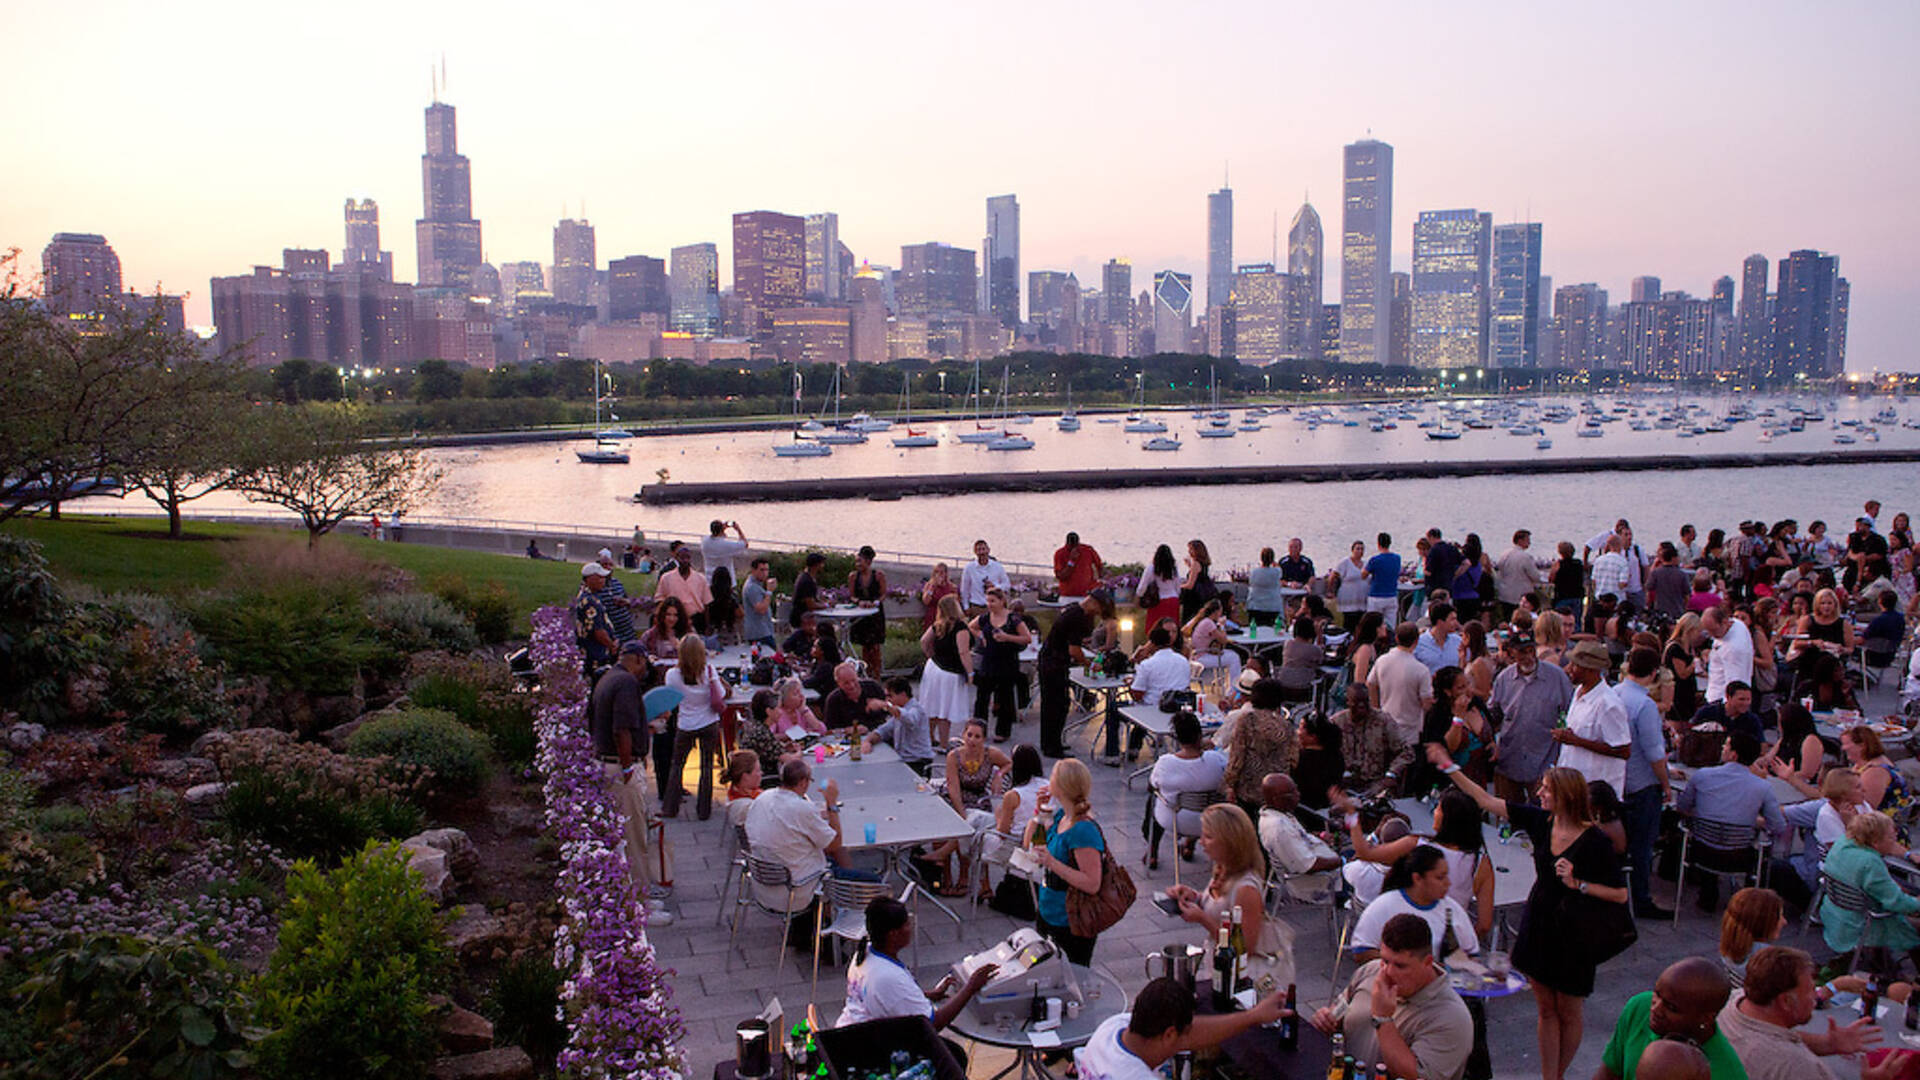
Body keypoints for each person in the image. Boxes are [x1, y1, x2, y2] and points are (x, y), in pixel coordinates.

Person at [1430, 754, 1629, 1080]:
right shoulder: (1541, 822)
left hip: (1575, 931)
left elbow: (1619, 894)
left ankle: (1558, 1074)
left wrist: (1579, 884)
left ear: (1565, 795)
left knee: (1569, 1009)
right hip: (1541, 923)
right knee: (1546, 1009)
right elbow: (1485, 800)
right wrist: (1448, 766)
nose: (1539, 794)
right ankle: (1550, 1076)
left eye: (1546, 790)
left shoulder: (1595, 841)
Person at [1309, 914, 1474, 1080]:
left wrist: (1383, 1019)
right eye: (1385, 961)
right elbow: (1339, 1010)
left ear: (1427, 962)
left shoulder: (1452, 1018)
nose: (1388, 972)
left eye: (1400, 966)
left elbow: (1415, 1076)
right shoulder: (1370, 971)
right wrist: (1327, 1020)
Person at [837, 897, 999, 1046]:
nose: (911, 928)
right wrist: (970, 987)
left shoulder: (865, 952)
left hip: (855, 1031)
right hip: (867, 1045)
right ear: (893, 934)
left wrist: (928, 995)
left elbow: (889, 998)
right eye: (907, 924)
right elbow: (932, 1024)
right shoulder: (887, 976)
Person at [1166, 803, 1296, 987]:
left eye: (1209, 836)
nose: (1201, 841)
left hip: (1239, 979)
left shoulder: (1246, 889)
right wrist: (1193, 896)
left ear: (1229, 842)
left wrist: (1202, 918)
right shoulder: (1222, 867)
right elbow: (1218, 906)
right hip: (1219, 969)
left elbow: (1244, 949)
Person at [1718, 945, 1890, 1080]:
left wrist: (1828, 1043)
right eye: (1809, 991)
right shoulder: (1796, 1066)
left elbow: (1771, 1034)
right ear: (1785, 1001)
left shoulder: (1735, 1001)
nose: (1815, 996)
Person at [591, 643, 677, 909]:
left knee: (628, 835)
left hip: (607, 763)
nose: (644, 673)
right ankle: (642, 905)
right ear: (638, 659)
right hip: (621, 770)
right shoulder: (627, 683)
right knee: (635, 838)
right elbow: (621, 729)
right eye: (644, 666)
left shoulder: (607, 678)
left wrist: (645, 730)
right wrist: (629, 768)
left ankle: (636, 896)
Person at [1076, 977, 1290, 1080]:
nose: (1185, 1041)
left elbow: (1190, 1033)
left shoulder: (1113, 1027)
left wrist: (1253, 1016)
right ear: (1169, 1034)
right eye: (1180, 1036)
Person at [1675, 733, 1788, 910]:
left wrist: (1706, 813)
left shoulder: (1702, 776)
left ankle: (1707, 894)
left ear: (1733, 755)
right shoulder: (1762, 787)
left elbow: (1682, 807)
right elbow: (1778, 826)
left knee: (1707, 835)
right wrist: (1752, 820)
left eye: (1726, 746)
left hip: (1700, 852)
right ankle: (1749, 899)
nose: (1722, 748)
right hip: (1739, 856)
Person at [1595, 958, 1744, 1080]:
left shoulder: (1725, 1072)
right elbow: (1609, 1073)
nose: (1655, 1009)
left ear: (1706, 1018)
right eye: (1657, 994)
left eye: (1672, 1008)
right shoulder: (1640, 1007)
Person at [1025, 758, 1106, 965]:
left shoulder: (1082, 829)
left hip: (1071, 921)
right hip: (1048, 911)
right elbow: (1030, 844)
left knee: (1072, 976)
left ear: (1061, 786)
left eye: (1052, 776)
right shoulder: (1062, 816)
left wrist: (1052, 863)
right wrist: (1039, 812)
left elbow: (1092, 883)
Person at [1616, 646, 1676, 918]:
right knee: (1642, 846)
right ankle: (1640, 899)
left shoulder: (1613, 694)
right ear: (1653, 673)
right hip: (1641, 785)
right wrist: (1665, 784)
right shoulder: (1645, 705)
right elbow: (1654, 752)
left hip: (1618, 781)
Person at [1350, 845, 1481, 960]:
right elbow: (1361, 951)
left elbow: (1472, 952)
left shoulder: (1452, 909)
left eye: (1446, 876)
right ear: (1417, 878)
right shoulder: (1385, 905)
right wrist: (1404, 964)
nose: (1447, 883)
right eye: (1439, 877)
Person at [1143, 711, 1225, 868]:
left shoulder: (1166, 763)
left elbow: (1151, 786)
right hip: (1212, 821)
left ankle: (1152, 850)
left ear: (1176, 737)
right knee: (1202, 802)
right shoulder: (1217, 760)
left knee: (1155, 798)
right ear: (1200, 736)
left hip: (1175, 821)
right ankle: (1190, 844)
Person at [661, 634, 727, 821]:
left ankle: (670, 807)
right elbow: (720, 695)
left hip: (686, 723)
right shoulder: (709, 671)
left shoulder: (672, 675)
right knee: (706, 767)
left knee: (677, 766)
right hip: (708, 722)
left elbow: (671, 698)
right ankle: (704, 810)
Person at [1553, 640, 1631, 796]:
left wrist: (1576, 741)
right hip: (1573, 787)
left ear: (1590, 670)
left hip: (1596, 794)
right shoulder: (1578, 692)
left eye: (1575, 665)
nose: (1569, 669)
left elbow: (1623, 751)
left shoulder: (1608, 704)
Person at [1038, 591, 1102, 758]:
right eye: (1099, 608)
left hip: (1050, 659)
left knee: (1051, 705)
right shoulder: (1077, 617)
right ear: (1093, 602)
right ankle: (1052, 747)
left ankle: (1050, 742)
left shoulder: (1073, 609)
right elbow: (1073, 650)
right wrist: (1089, 664)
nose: (1098, 612)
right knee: (1057, 705)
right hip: (1054, 662)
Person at [1258, 773, 1341, 901]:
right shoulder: (1279, 827)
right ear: (1276, 799)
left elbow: (1297, 841)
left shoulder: (1280, 814)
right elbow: (1309, 865)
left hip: (1324, 870)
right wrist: (1343, 861)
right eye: (1292, 792)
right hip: (1318, 883)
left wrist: (1320, 837)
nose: (1298, 794)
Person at [1221, 679, 1299, 814]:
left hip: (1248, 789)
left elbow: (1237, 757)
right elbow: (1293, 760)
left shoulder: (1248, 721)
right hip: (1275, 791)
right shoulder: (1286, 726)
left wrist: (1230, 784)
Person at [1115, 625, 1192, 760]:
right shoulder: (1183, 661)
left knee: (1115, 707)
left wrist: (1129, 685)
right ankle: (1133, 746)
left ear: (1152, 644)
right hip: (1177, 708)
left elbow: (1137, 696)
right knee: (1146, 702)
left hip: (1151, 711)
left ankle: (1112, 754)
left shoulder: (1148, 664)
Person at [970, 587, 1030, 742]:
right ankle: (979, 730)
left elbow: (1026, 638)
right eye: (988, 601)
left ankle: (1002, 732)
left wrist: (1007, 637)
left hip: (1007, 662)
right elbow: (971, 626)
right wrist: (981, 635)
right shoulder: (985, 618)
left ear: (1002, 601)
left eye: (993, 601)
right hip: (989, 662)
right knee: (982, 698)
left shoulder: (1013, 619)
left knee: (1005, 698)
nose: (989, 604)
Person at [1333, 683, 1415, 793]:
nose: (1362, 706)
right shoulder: (1336, 722)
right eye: (1357, 702)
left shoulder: (1384, 721)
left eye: (1365, 702)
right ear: (1348, 702)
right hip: (1343, 783)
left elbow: (1406, 752)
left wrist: (1391, 774)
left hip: (1376, 783)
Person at [918, 594, 973, 749]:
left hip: (934, 667)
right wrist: (970, 673)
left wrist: (931, 656)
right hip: (950, 672)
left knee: (932, 706)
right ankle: (943, 744)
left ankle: (929, 738)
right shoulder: (960, 627)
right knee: (945, 710)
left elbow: (924, 641)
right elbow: (964, 652)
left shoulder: (938, 625)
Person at [1370, 622, 1436, 741]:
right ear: (1416, 641)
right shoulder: (1421, 670)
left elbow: (1370, 683)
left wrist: (1376, 709)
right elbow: (1426, 702)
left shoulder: (1382, 661)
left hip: (1386, 725)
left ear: (1396, 638)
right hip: (1410, 732)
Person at [863, 676, 934, 773]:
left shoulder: (916, 710)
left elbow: (909, 719)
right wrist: (868, 741)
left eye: (890, 696)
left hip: (918, 763)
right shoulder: (897, 714)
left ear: (903, 695)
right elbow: (883, 730)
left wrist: (884, 705)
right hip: (902, 760)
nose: (888, 700)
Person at [844, 546, 889, 676]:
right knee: (865, 646)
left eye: (860, 561)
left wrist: (874, 602)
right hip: (860, 613)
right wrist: (859, 602)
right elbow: (851, 595)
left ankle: (877, 674)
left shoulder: (878, 575)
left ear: (868, 562)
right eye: (857, 561)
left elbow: (883, 594)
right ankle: (866, 672)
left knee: (875, 646)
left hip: (875, 614)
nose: (858, 564)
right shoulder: (853, 576)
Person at [1183, 597, 1242, 695]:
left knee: (1231, 655)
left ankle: (1230, 686)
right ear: (1217, 612)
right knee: (1234, 657)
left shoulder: (1202, 620)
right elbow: (1223, 640)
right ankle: (1233, 690)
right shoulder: (1208, 623)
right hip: (1202, 656)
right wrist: (1222, 625)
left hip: (1198, 653)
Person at [1842, 725, 1909, 811]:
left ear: (1862, 746)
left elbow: (1866, 809)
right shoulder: (1861, 764)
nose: (1842, 748)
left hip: (1881, 821)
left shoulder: (1876, 772)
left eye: (1846, 744)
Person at [575, 562, 620, 678]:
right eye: (600, 577)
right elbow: (598, 631)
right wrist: (611, 646)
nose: (603, 580)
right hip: (596, 655)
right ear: (590, 579)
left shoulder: (589, 596)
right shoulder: (590, 602)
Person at [1702, 606, 1754, 705]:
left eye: (1713, 631)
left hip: (1721, 700)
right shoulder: (1738, 624)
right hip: (1715, 693)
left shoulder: (1734, 649)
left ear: (1724, 622)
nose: (1711, 635)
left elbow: (1736, 682)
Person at [822, 661, 889, 733]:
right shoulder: (834, 700)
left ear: (857, 676)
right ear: (838, 683)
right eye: (846, 683)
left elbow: (895, 710)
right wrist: (848, 730)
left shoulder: (873, 687)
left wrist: (883, 704)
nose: (852, 685)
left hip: (880, 733)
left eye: (853, 680)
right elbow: (829, 730)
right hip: (851, 739)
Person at [1689, 682, 1764, 745]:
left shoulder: (1752, 720)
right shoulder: (1707, 712)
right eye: (1741, 699)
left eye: (1748, 699)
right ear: (1728, 697)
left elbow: (1762, 744)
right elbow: (1689, 735)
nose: (1746, 703)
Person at [655, 553, 713, 634]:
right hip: (674, 620)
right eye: (682, 558)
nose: (685, 560)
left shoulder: (701, 578)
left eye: (687, 558)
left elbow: (706, 604)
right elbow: (659, 600)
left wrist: (708, 626)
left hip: (696, 620)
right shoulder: (666, 578)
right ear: (677, 559)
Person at [593, 548, 641, 644]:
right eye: (605, 565)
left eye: (610, 565)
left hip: (628, 633)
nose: (608, 567)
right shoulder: (595, 587)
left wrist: (625, 602)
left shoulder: (617, 584)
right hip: (611, 636)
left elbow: (628, 601)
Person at [1496, 529, 1545, 620]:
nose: (1529, 543)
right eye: (1527, 540)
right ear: (1520, 540)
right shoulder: (1525, 557)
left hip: (1504, 594)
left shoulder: (1504, 554)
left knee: (1508, 619)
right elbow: (1535, 576)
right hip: (1520, 596)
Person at [1275, 615, 1326, 699]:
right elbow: (1321, 659)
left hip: (1284, 687)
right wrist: (1319, 635)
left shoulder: (1287, 644)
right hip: (1303, 689)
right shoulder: (1314, 650)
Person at [1137, 544, 1182, 628]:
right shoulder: (1173, 569)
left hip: (1158, 601)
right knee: (1172, 627)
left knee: (1155, 628)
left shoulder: (1151, 568)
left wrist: (1139, 596)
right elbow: (1178, 587)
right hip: (1173, 600)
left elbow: (1142, 586)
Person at [959, 539, 1010, 612]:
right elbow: (964, 589)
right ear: (975, 552)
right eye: (979, 550)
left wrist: (995, 586)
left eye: (983, 549)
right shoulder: (969, 568)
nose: (982, 552)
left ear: (988, 550)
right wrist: (966, 607)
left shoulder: (997, 566)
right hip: (976, 606)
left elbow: (1007, 585)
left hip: (993, 607)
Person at [1412, 603, 1463, 675]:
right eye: (1452, 620)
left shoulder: (1458, 641)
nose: (1456, 623)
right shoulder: (1418, 643)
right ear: (1440, 622)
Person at [699, 519, 750, 590]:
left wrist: (722, 528)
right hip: (727, 582)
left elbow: (714, 535)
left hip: (710, 580)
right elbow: (745, 544)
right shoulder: (726, 545)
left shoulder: (705, 542)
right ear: (722, 530)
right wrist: (738, 529)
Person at [1053, 531, 1105, 598]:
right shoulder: (1060, 553)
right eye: (1071, 546)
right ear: (1067, 543)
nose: (1074, 548)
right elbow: (1061, 576)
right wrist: (1071, 561)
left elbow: (1100, 566)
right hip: (1068, 595)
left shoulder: (1088, 550)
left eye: (1075, 546)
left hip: (1086, 593)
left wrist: (1100, 581)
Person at [1179, 539, 1219, 624]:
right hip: (1203, 596)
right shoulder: (1203, 563)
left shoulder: (1195, 564)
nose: (1189, 552)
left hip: (1193, 598)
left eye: (1191, 549)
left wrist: (1178, 586)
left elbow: (1190, 584)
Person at [723, 749, 763, 833]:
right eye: (758, 771)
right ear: (745, 776)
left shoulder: (737, 791)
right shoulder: (747, 807)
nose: (761, 773)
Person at [1364, 532, 1404, 617]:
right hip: (1392, 595)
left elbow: (1363, 575)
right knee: (1390, 624)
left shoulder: (1375, 560)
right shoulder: (1397, 558)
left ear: (1378, 544)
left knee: (1373, 623)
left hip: (1376, 596)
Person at [1648, 545, 1692, 621]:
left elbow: (1649, 589)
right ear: (1673, 558)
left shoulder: (1656, 573)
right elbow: (1687, 595)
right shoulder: (1681, 574)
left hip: (1660, 610)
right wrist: (1685, 609)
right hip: (1677, 610)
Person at [741, 557, 777, 648]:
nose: (765, 573)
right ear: (753, 570)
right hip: (759, 633)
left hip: (764, 630)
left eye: (766, 570)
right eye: (761, 570)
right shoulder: (752, 587)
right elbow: (761, 609)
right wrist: (769, 591)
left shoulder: (757, 585)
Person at [1245, 546, 1285, 627]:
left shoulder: (1254, 572)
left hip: (1255, 608)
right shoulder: (1276, 572)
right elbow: (1278, 568)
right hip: (1272, 608)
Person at [788, 552, 827, 629]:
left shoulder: (808, 578)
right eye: (821, 564)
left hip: (804, 618)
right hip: (801, 620)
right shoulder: (806, 581)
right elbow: (810, 605)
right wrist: (826, 606)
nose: (823, 566)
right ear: (816, 565)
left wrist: (822, 601)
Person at [918, 562, 958, 629]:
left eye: (941, 572)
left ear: (946, 574)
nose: (938, 575)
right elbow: (926, 601)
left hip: (946, 616)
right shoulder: (929, 585)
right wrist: (932, 587)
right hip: (933, 615)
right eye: (936, 572)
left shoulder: (952, 587)